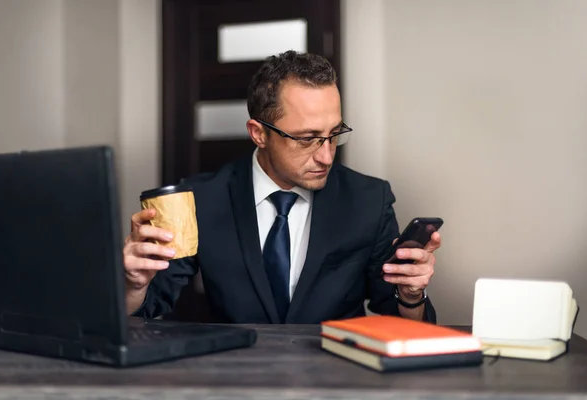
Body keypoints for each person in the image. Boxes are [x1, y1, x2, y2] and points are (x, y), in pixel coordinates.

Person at [124, 51, 441, 324]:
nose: (326, 155)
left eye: (334, 133)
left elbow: (402, 323)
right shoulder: (200, 200)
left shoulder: (369, 200)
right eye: (307, 139)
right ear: (259, 133)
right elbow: (145, 311)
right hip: (238, 381)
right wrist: (134, 285)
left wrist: (411, 294)